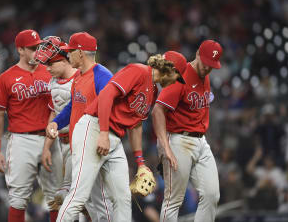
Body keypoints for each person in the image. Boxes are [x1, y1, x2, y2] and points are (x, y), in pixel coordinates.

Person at [55, 50, 187, 222]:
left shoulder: (153, 91)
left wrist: (140, 163)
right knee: (79, 194)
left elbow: (136, 125)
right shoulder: (138, 71)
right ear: (169, 69)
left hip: (114, 138)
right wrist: (103, 132)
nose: (175, 83)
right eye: (177, 77)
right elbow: (106, 95)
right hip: (94, 127)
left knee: (123, 197)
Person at [152, 40, 223, 222]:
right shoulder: (181, 75)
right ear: (198, 54)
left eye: (212, 66)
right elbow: (158, 110)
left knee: (211, 194)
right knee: (173, 200)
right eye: (206, 63)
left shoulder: (205, 76)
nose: (208, 68)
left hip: (201, 141)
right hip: (178, 140)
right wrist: (165, 147)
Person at [46, 32, 113, 221]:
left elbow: (108, 110)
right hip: (81, 146)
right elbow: (72, 107)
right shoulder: (79, 77)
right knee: (90, 204)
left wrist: (104, 135)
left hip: (95, 146)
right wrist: (56, 122)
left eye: (71, 52)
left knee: (101, 202)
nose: (68, 56)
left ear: (81, 53)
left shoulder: (102, 76)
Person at [0, 30, 55, 222]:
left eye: (39, 47)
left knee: (56, 197)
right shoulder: (6, 77)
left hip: (50, 139)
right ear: (20, 49)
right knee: (18, 199)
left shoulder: (50, 70)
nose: (38, 51)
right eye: (33, 48)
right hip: (21, 140)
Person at [34, 36, 80, 216]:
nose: (47, 68)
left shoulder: (81, 78)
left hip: (81, 142)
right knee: (64, 199)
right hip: (63, 144)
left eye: (50, 64)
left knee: (84, 199)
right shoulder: (53, 83)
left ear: (63, 60)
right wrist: (46, 148)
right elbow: (54, 113)